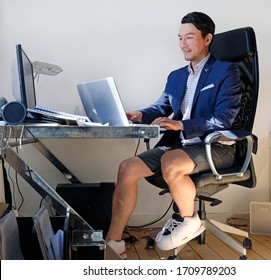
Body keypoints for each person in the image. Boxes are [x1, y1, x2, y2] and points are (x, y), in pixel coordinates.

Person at [105, 11, 241, 259]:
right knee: (127, 167)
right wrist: (138, 114)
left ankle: (190, 221)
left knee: (170, 161)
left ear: (207, 38)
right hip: (181, 147)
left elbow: (222, 120)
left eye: (189, 37)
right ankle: (113, 243)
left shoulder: (227, 71)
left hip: (217, 146)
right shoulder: (176, 76)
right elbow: (161, 108)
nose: (182, 44)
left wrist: (182, 125)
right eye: (180, 38)